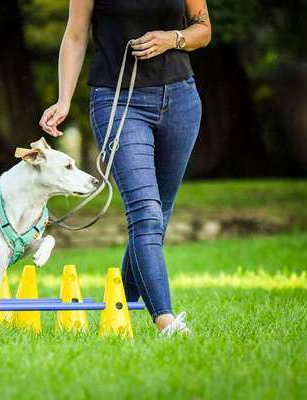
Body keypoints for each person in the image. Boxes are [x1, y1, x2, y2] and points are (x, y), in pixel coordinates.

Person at [39, 0, 211, 335]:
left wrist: (171, 38)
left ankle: (117, 312)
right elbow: (75, 36)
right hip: (118, 102)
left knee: (157, 215)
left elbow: (203, 30)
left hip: (181, 101)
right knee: (145, 213)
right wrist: (63, 99)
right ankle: (166, 322)